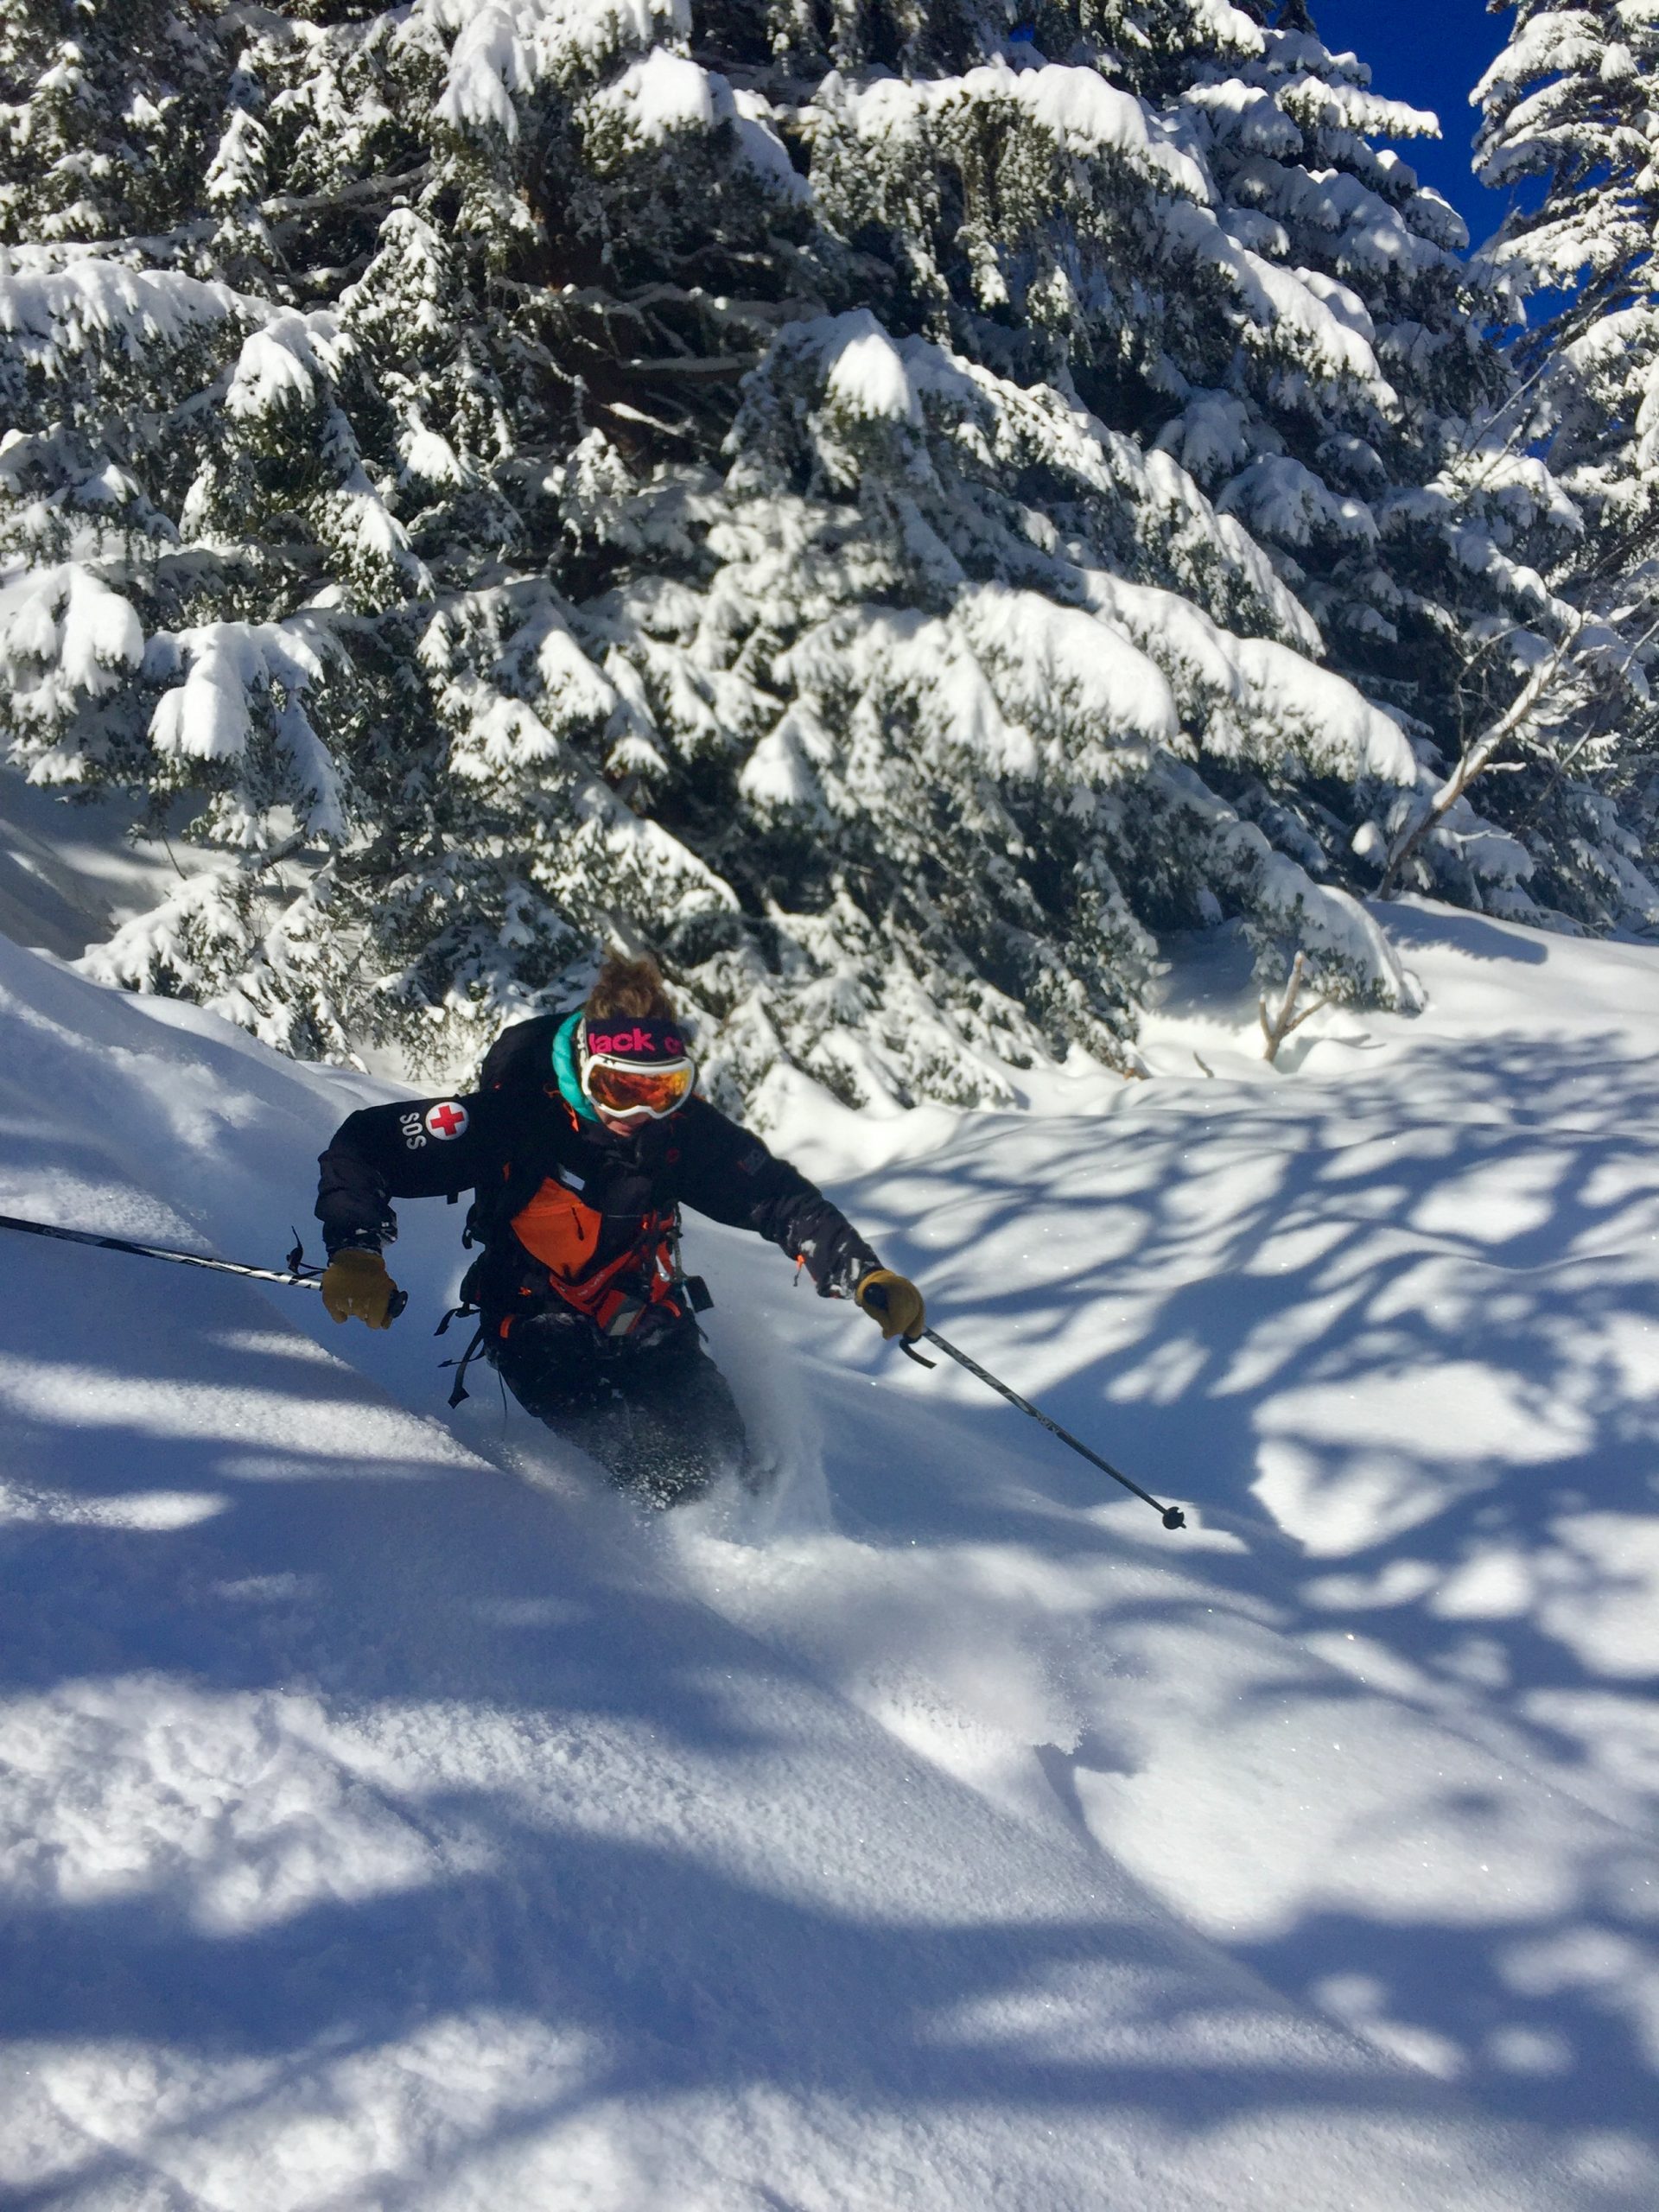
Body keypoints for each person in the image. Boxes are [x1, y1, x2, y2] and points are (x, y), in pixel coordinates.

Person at [313, 954, 925, 1504]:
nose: (640, 1112)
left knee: (738, 1470)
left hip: (647, 1314)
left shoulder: (680, 1132)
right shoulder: (518, 1119)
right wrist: (356, 1250)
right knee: (663, 1477)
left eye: (662, 1089)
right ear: (585, 1069)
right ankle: (633, 1581)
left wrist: (862, 1273)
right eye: (618, 1088)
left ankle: (764, 1568)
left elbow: (780, 1200)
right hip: (535, 1325)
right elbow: (367, 1146)